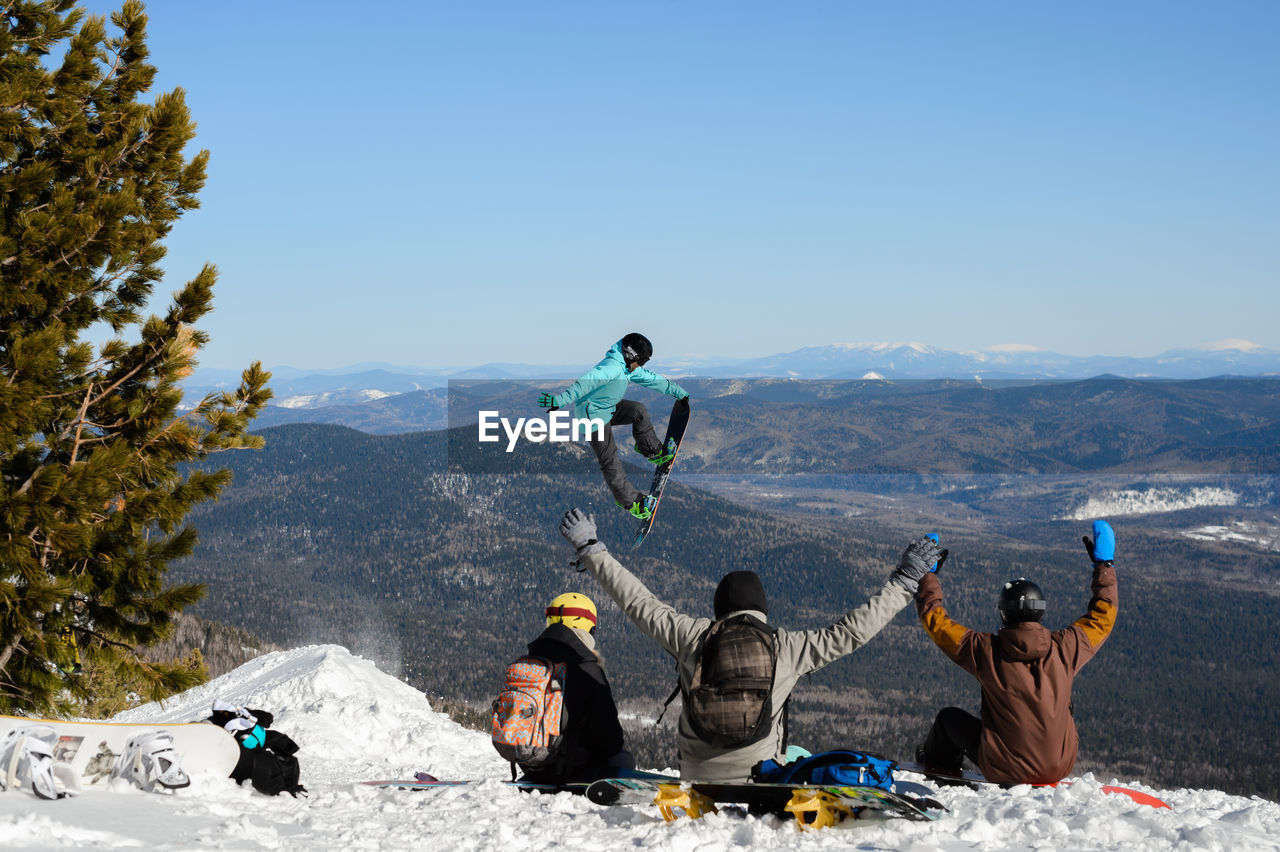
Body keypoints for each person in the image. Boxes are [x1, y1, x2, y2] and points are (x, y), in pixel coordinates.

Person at [557, 507, 942, 783]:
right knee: (799, 757)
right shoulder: (787, 647)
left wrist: (591, 548)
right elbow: (852, 631)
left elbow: (637, 600)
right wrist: (905, 581)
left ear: (718, 608)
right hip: (758, 779)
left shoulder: (692, 636)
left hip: (696, 776)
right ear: (762, 609)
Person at [913, 521, 1119, 785]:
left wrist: (927, 577)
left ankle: (941, 772)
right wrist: (1105, 566)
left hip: (1004, 769)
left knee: (947, 719)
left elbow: (938, 624)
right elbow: (1103, 615)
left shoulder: (985, 651)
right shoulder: (1067, 647)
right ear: (1041, 610)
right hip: (1060, 765)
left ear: (1003, 612)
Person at [537, 333, 688, 519]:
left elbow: (651, 379)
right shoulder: (611, 367)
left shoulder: (627, 368)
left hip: (607, 407)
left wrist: (679, 393)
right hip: (592, 417)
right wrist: (560, 400)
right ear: (631, 355)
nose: (641, 367)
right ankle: (632, 502)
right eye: (640, 362)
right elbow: (585, 383)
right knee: (610, 460)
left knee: (638, 411)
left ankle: (652, 450)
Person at [513, 592, 634, 784]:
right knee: (623, 758)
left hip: (530, 763)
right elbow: (611, 740)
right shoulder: (586, 669)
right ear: (588, 627)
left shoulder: (529, 663)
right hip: (572, 770)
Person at [208, 700, 306, 797]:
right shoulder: (242, 720)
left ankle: (286, 783)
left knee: (269, 760)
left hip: (246, 746)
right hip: (244, 742)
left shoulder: (257, 744)